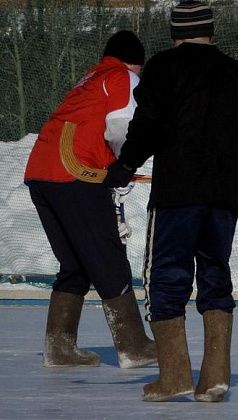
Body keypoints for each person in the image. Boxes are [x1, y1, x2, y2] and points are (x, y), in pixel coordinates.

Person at [103, 1, 238, 402]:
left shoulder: (163, 67)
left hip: (176, 197)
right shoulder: (235, 74)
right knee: (214, 275)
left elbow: (148, 125)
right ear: (212, 31)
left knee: (166, 278)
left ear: (175, 33)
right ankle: (215, 378)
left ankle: (174, 376)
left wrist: (125, 164)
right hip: (221, 201)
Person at [23, 30, 156, 369]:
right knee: (107, 254)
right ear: (134, 63)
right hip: (75, 172)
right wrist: (123, 167)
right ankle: (133, 345)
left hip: (41, 171)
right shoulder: (123, 76)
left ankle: (59, 347)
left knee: (76, 262)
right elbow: (123, 126)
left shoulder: (90, 77)